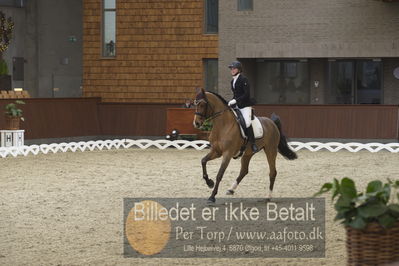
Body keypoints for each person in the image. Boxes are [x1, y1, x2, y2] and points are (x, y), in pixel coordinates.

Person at [227, 61, 258, 152]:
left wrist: (235, 100)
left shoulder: (244, 79)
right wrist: (231, 101)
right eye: (231, 69)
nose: (232, 70)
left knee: (247, 122)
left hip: (245, 106)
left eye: (234, 68)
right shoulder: (232, 81)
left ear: (239, 70)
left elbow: (246, 94)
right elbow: (236, 94)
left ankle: (253, 144)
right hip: (237, 105)